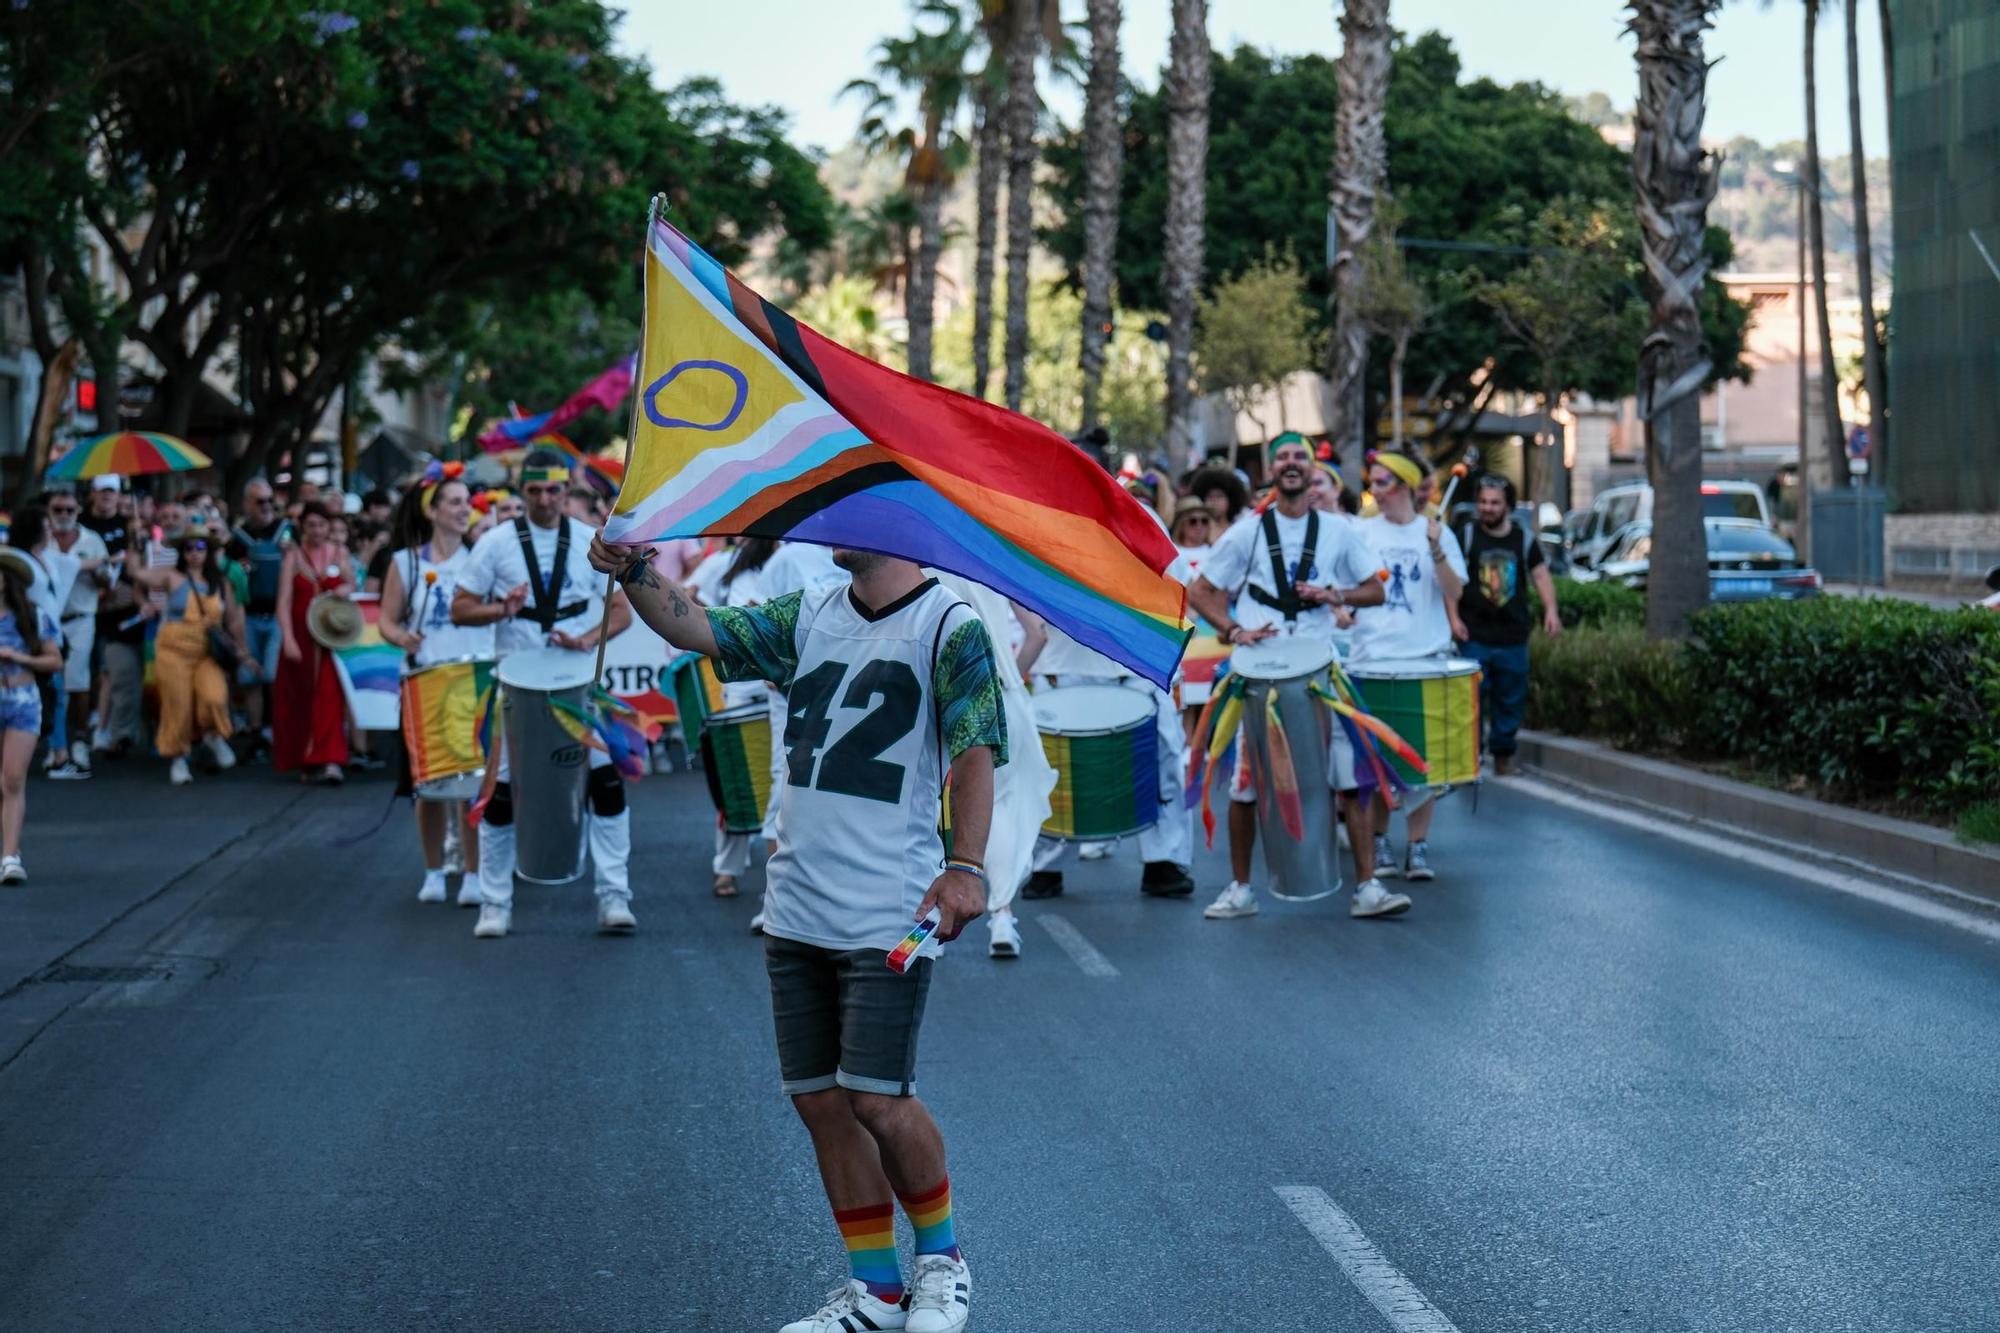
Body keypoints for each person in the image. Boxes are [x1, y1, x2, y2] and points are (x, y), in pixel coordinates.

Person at [590, 534, 998, 1333]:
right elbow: (696, 629)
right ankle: (877, 1292)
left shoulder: (952, 625)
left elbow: (977, 750)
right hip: (797, 905)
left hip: (889, 907)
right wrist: (636, 571)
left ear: (894, 524)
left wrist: (968, 866)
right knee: (819, 1101)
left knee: (878, 1099)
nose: (827, 523)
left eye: (848, 509)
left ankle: (943, 1263)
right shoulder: (809, 610)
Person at [1185, 432, 1410, 921]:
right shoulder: (1246, 532)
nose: (1291, 464)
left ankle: (1367, 887)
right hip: (1260, 671)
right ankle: (1240, 888)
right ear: (1271, 470)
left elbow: (1375, 590)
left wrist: (1335, 595)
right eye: (1282, 456)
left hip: (1319, 670)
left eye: (1299, 458)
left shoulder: (1338, 531)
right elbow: (1199, 590)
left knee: (1348, 776)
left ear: (1311, 471)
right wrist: (1232, 629)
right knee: (1245, 783)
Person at [452, 449, 635, 939]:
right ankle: (495, 903)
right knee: (502, 792)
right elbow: (460, 608)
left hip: (578, 685)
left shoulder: (590, 543)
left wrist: (586, 639)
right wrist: (500, 611)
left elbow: (621, 612)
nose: (544, 499)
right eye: (534, 490)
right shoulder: (494, 543)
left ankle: (614, 896)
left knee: (606, 785)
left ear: (566, 488)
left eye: (553, 489)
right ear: (522, 491)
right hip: (517, 687)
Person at [1353, 451, 1468, 883]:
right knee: (1378, 761)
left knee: (1423, 763)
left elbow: (1455, 592)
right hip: (1374, 660)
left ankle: (1417, 847)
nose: (1375, 491)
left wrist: (1436, 546)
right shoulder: (1360, 532)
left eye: (1382, 483)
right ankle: (1380, 840)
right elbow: (1346, 586)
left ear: (1402, 486)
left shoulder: (1437, 533)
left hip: (1425, 658)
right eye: (1373, 483)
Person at [378, 464, 491, 905]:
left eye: (468, 502)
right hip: (425, 680)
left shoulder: (481, 557)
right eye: (456, 502)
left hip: (473, 677)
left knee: (471, 782)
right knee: (428, 784)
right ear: (432, 510)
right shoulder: (405, 563)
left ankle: (473, 874)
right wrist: (401, 636)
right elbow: (387, 620)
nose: (467, 510)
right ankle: (432, 872)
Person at [688, 537, 779, 899]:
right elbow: (690, 597)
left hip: (785, 690)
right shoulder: (723, 564)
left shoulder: (795, 557)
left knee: (786, 786)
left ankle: (784, 881)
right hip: (742, 688)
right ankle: (726, 867)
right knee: (738, 778)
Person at [1456, 474, 1560, 776]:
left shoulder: (1522, 538)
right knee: (1472, 700)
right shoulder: (1466, 536)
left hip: (1513, 635)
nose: (1487, 508)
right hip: (1473, 633)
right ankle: (1471, 758)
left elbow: (1540, 575)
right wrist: (1453, 618)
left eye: (1494, 503)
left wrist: (1551, 610)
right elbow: (1451, 580)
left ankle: (1503, 756)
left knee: (1510, 699)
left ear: (1509, 506)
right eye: (1483, 502)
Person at [131, 532, 247, 785]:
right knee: (177, 705)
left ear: (208, 552)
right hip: (172, 650)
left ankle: (213, 736)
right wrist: (135, 544)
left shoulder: (221, 582)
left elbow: (234, 619)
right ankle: (179, 758)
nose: (194, 553)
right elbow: (137, 574)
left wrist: (242, 649)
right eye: (188, 549)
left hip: (206, 650)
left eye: (200, 547)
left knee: (214, 696)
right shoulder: (171, 576)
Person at [273, 502, 352, 783]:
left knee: (330, 697)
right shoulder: (292, 558)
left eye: (322, 525)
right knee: (300, 698)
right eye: (311, 526)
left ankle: (331, 759)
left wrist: (345, 588)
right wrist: (288, 639)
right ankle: (306, 757)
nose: (317, 531)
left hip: (331, 637)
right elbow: (283, 602)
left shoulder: (339, 553)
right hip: (302, 636)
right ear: (302, 528)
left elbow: (353, 585)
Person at [0, 547, 64, 884]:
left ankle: (10, 855)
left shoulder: (32, 616)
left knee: (12, 778)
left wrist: (18, 657)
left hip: (22, 699)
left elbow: (55, 660)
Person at [44, 489, 109, 779]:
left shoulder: (92, 541)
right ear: (49, 511)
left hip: (81, 618)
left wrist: (97, 572)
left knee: (77, 681)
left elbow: (107, 578)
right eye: (58, 510)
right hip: (48, 621)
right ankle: (56, 745)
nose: (63, 515)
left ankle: (80, 740)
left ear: (78, 510)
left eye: (69, 510)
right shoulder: (41, 539)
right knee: (50, 683)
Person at [229, 479, 293, 755]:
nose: (267, 506)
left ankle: (276, 729)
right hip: (248, 616)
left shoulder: (288, 532)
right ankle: (258, 733)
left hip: (279, 616)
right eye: (260, 501)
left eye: (271, 501)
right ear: (247, 504)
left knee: (273, 675)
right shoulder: (238, 538)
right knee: (250, 676)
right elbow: (227, 578)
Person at [82, 476, 142, 758]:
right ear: (92, 493)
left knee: (113, 671)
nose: (107, 495)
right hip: (87, 608)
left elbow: (140, 564)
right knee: (90, 673)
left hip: (123, 611)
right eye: (102, 490)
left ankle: (111, 730)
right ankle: (88, 725)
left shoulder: (129, 525)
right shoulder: (80, 524)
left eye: (112, 491)